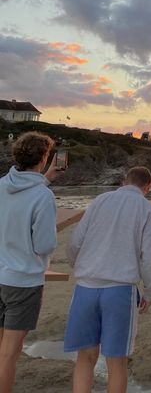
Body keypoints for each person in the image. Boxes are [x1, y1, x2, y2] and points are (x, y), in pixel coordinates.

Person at [64, 167, 151, 393]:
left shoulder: (100, 200)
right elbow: (150, 256)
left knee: (85, 357)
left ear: (124, 181)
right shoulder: (145, 208)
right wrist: (149, 290)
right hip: (119, 290)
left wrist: (77, 265)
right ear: (147, 188)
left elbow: (75, 241)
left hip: (86, 287)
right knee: (117, 362)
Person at [0, 131, 59, 393]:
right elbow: (44, 245)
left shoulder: (1, 185)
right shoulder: (42, 196)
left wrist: (44, 181)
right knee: (9, 353)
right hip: (23, 283)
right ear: (44, 158)